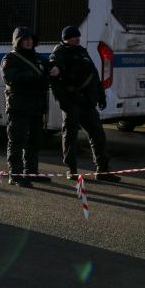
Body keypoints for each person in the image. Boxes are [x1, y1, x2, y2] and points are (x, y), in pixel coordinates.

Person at [49, 26, 120, 182]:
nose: (77, 39)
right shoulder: (59, 53)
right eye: (74, 37)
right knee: (70, 137)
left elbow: (94, 74)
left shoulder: (82, 51)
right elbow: (55, 74)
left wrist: (101, 95)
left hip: (87, 102)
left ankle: (102, 170)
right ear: (66, 38)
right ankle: (72, 170)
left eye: (78, 36)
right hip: (71, 102)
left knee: (98, 135)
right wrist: (64, 99)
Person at [0, 27, 49, 188]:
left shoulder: (38, 58)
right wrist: (31, 75)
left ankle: (31, 172)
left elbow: (48, 72)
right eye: (25, 39)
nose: (28, 42)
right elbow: (9, 77)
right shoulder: (10, 58)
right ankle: (15, 175)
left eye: (30, 39)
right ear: (18, 41)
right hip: (18, 106)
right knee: (17, 140)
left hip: (36, 106)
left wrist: (55, 70)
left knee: (35, 141)